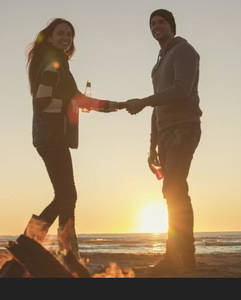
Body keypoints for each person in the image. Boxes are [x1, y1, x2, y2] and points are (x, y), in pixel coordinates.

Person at [25, 18, 121, 258]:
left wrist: (114, 106)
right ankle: (39, 243)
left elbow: (78, 98)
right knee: (67, 194)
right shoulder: (53, 60)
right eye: (61, 33)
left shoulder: (56, 62)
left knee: (66, 194)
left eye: (70, 34)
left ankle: (63, 249)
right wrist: (70, 103)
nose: (66, 37)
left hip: (50, 135)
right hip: (51, 135)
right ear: (50, 36)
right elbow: (42, 101)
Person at [125, 9, 202, 274]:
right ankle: (174, 257)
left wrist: (143, 101)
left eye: (161, 22)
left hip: (184, 128)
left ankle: (185, 260)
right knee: (171, 191)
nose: (156, 26)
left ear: (171, 25)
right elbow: (158, 107)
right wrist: (151, 146)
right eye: (153, 23)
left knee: (175, 188)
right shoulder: (160, 61)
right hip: (166, 132)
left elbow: (181, 91)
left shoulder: (185, 51)